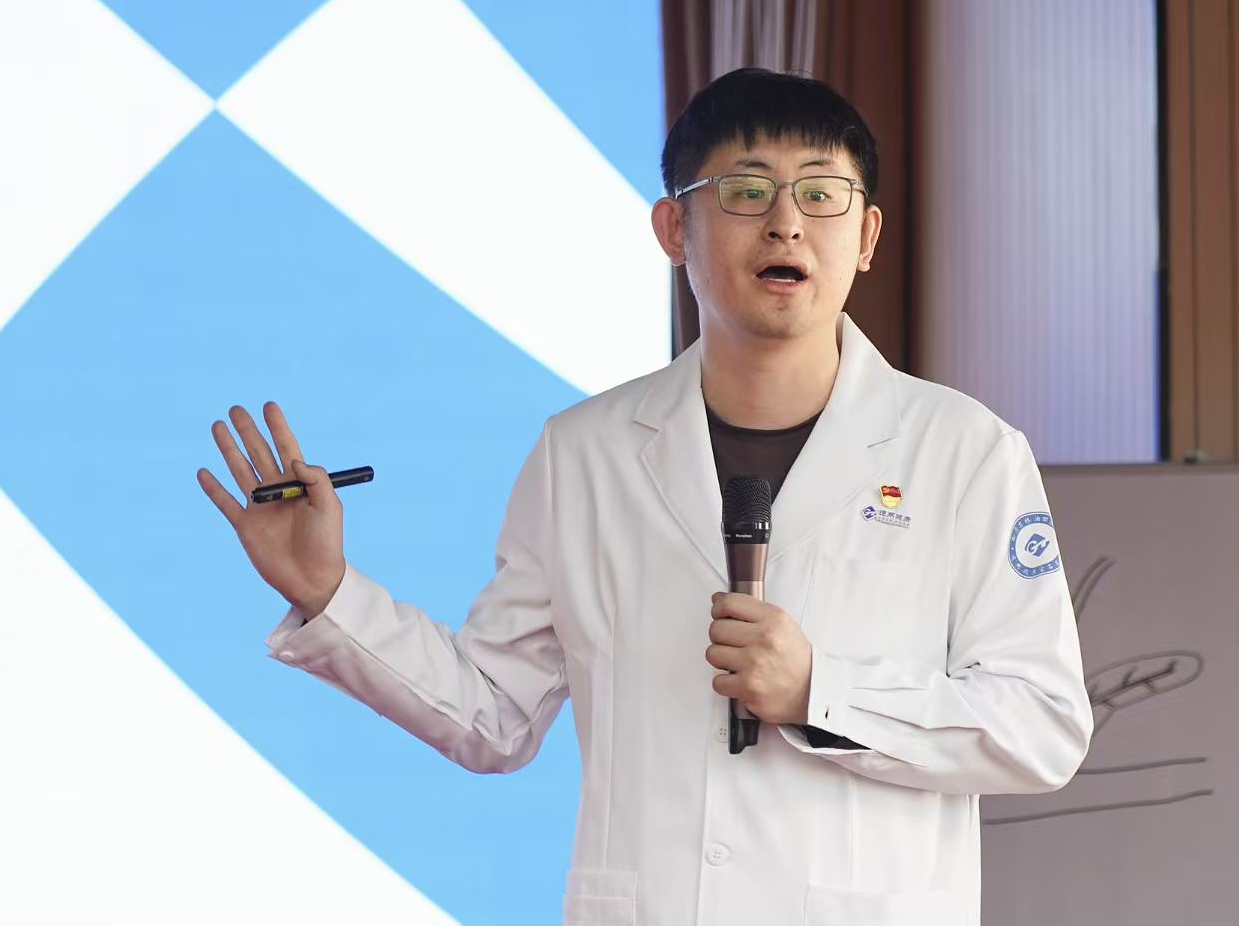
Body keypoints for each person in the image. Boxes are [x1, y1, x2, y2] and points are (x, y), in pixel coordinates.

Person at [198, 66, 1091, 926]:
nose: (786, 224)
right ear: (674, 228)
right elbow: (493, 716)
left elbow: (1041, 727)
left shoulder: (966, 453)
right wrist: (328, 592)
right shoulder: (582, 453)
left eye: (822, 194)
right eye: (747, 191)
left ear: (865, 237)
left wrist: (821, 692)